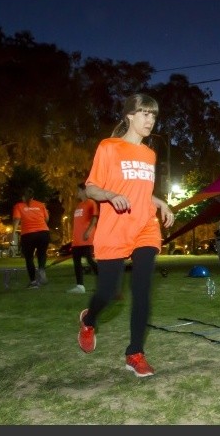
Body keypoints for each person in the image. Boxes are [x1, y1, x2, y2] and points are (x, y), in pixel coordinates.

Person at [77, 93, 175, 378]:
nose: (150, 120)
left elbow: (141, 193)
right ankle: (89, 319)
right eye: (145, 113)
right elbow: (92, 187)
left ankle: (135, 353)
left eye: (153, 115)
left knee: (142, 290)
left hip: (145, 225)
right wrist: (110, 195)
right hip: (115, 226)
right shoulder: (108, 147)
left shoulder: (149, 154)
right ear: (129, 116)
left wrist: (161, 203)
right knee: (108, 292)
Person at [12, 187, 51, 289]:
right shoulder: (41, 205)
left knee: (29, 258)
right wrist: (42, 227)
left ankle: (33, 282)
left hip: (28, 234)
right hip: (44, 233)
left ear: (23, 197)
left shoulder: (19, 206)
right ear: (33, 196)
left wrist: (13, 233)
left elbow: (16, 219)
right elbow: (46, 218)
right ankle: (41, 269)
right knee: (42, 254)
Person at [67, 182, 100, 294]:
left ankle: (103, 283)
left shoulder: (91, 203)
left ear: (84, 191)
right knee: (76, 262)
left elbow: (94, 218)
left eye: (78, 190)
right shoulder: (79, 205)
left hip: (86, 239)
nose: (76, 193)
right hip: (77, 241)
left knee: (90, 260)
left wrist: (89, 231)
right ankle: (80, 286)